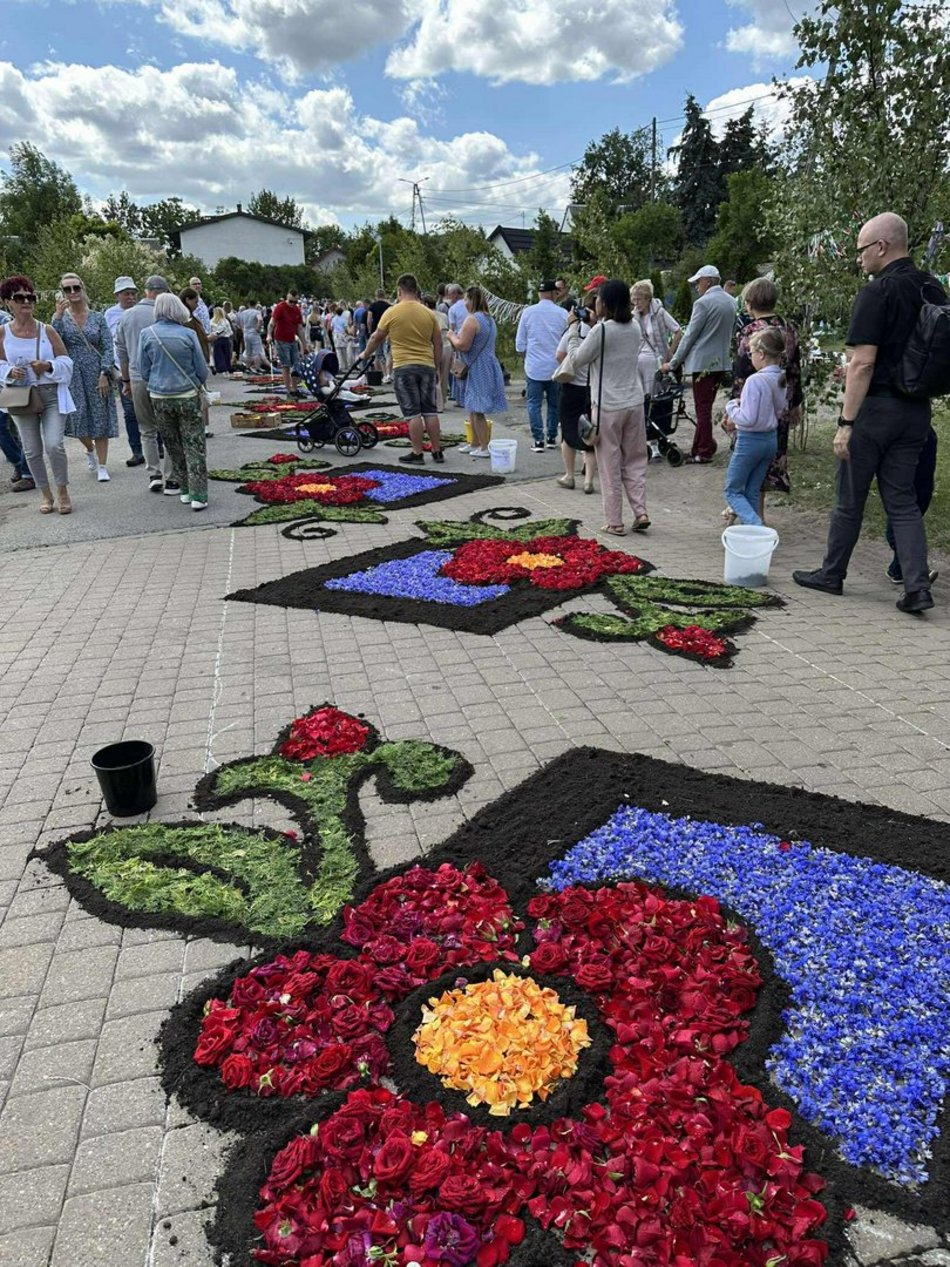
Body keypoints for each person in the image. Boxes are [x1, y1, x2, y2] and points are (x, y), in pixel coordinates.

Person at [793, 212, 946, 614]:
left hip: (875, 409)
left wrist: (845, 423)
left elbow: (863, 363)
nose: (859, 258)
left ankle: (832, 573)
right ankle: (916, 586)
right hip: (915, 409)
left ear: (882, 246)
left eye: (862, 249)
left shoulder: (878, 292)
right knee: (902, 499)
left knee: (850, 497)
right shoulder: (932, 287)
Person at [566, 279, 648, 534]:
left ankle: (615, 521)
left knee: (609, 463)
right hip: (634, 401)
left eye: (599, 298)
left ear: (606, 302)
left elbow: (577, 359)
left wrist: (573, 331)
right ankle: (641, 510)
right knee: (635, 460)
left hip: (608, 406)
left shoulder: (601, 331)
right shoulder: (634, 326)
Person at [728, 278, 803, 520]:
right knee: (768, 460)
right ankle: (753, 518)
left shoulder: (750, 332)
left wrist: (731, 409)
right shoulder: (789, 328)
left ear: (750, 303)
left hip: (753, 401)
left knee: (747, 464)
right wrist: (796, 403)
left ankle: (752, 519)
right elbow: (795, 368)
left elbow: (741, 371)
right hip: (781, 398)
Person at [0, 274, 75, 514]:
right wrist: (10, 371)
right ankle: (45, 494)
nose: (26, 301)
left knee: (54, 445)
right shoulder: (2, 333)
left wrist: (49, 366)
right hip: (21, 397)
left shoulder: (47, 330)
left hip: (49, 393)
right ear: (7, 303)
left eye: (30, 297)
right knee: (31, 450)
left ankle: (62, 490)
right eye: (19, 297)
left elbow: (66, 361)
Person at [362, 272, 443, 463]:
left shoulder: (392, 312)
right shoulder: (429, 313)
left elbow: (376, 337)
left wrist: (365, 354)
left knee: (412, 412)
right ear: (416, 290)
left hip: (404, 367)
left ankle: (417, 453)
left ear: (399, 290)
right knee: (430, 410)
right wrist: (436, 367)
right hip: (426, 366)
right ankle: (437, 451)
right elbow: (438, 343)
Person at [139, 293, 210, 511]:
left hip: (160, 397)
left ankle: (185, 489)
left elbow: (143, 370)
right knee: (194, 445)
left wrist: (158, 381)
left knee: (173, 445)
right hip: (187, 395)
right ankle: (199, 495)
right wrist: (195, 383)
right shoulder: (188, 334)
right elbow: (202, 369)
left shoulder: (146, 334)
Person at [661, 265, 736, 463]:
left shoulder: (703, 304)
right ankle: (700, 446)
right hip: (721, 361)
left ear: (708, 281)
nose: (696, 286)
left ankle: (703, 450)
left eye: (698, 282)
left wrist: (674, 362)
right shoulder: (731, 301)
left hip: (702, 363)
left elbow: (690, 336)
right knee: (706, 405)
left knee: (702, 408)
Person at [53, 272, 118, 482]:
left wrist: (104, 372)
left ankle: (102, 464)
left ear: (82, 288)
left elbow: (108, 346)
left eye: (76, 288)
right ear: (62, 292)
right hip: (72, 374)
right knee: (78, 417)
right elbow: (53, 343)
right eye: (67, 289)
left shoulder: (98, 317)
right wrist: (58, 317)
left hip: (96, 371)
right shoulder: (60, 317)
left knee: (100, 418)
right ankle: (88, 449)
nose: (72, 292)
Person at [721, 327, 785, 526]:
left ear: (762, 354)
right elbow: (780, 409)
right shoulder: (780, 378)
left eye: (752, 353)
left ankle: (757, 528)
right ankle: (752, 531)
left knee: (732, 491)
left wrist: (732, 406)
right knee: (752, 490)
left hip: (750, 441)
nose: (751, 358)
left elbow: (747, 419)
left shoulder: (755, 380)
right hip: (770, 439)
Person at [116, 274, 172, 493]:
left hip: (138, 377)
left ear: (146, 291)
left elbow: (121, 352)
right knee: (168, 428)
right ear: (163, 292)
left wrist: (126, 380)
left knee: (146, 429)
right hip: (165, 379)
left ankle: (154, 473)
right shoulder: (166, 313)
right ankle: (171, 474)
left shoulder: (127, 316)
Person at [446, 284, 508, 458]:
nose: (464, 302)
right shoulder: (489, 318)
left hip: (477, 367)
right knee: (472, 406)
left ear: (472, 300)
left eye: (466, 299)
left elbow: (463, 345)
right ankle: (474, 442)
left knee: (478, 409)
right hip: (487, 364)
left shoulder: (472, 319)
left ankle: (484, 447)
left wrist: (451, 336)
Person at [516, 279, 568, 453]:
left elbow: (520, 343)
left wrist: (526, 357)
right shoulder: (562, 313)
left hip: (534, 367)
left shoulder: (528, 313)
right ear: (554, 293)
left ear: (539, 294)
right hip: (555, 366)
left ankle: (538, 440)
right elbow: (568, 340)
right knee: (554, 404)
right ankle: (552, 437)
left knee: (534, 404)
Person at [553, 307, 596, 493]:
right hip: (592, 389)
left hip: (571, 388)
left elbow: (560, 355)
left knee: (568, 432)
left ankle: (569, 475)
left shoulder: (573, 333)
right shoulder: (598, 332)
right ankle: (588, 481)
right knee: (590, 434)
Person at [104, 276, 144, 466]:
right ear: (117, 295)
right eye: (126, 293)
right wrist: (110, 369)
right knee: (130, 412)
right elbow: (107, 342)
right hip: (122, 369)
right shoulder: (110, 314)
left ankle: (158, 445)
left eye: (133, 293)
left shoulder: (141, 312)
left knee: (151, 409)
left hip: (143, 368)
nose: (130, 297)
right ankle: (137, 450)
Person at [631, 279, 682, 418]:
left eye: (639, 299)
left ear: (647, 299)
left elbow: (678, 331)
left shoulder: (659, 312)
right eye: (634, 300)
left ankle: (653, 427)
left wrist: (670, 353)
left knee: (653, 395)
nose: (636, 303)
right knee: (638, 396)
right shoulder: (634, 316)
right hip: (637, 360)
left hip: (655, 359)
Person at [269, 290, 307, 396]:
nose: (292, 304)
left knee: (296, 364)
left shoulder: (297, 310)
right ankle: (289, 389)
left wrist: (304, 344)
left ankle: (294, 388)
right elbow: (272, 323)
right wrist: (268, 335)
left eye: (295, 302)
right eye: (291, 301)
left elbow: (300, 328)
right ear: (287, 298)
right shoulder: (280, 307)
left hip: (292, 340)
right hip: (281, 340)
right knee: (286, 365)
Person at [423, 293, 453, 413]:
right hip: (447, 345)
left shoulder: (427, 315)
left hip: (434, 345)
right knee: (444, 374)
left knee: (436, 374)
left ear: (425, 304)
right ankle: (443, 401)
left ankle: (437, 404)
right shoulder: (444, 315)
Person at [366, 290, 392, 380]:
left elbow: (369, 319)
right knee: (388, 353)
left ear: (376, 296)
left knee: (379, 353)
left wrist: (369, 331)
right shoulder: (389, 306)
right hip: (388, 331)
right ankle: (389, 374)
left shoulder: (372, 306)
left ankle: (383, 374)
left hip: (377, 331)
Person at [209, 306, 233, 374]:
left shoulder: (211, 321)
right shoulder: (225, 321)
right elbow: (230, 332)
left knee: (219, 355)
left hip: (216, 339)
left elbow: (209, 330)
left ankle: (221, 368)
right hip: (226, 339)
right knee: (226, 354)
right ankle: (227, 368)